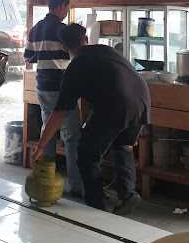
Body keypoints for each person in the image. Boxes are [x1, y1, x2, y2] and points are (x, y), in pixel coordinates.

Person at [33, 23, 150, 215]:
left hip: (115, 106)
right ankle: (128, 195)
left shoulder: (76, 66)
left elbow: (59, 113)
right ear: (85, 39)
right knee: (123, 146)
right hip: (142, 100)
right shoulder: (106, 50)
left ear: (65, 47)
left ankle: (97, 204)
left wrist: (41, 146)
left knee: (87, 154)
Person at [24, 0, 82, 196]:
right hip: (61, 87)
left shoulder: (35, 29)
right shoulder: (63, 30)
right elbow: (77, 56)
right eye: (66, 8)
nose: (66, 12)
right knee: (71, 136)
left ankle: (45, 178)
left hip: (42, 86)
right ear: (61, 7)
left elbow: (28, 58)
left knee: (47, 131)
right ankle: (75, 185)